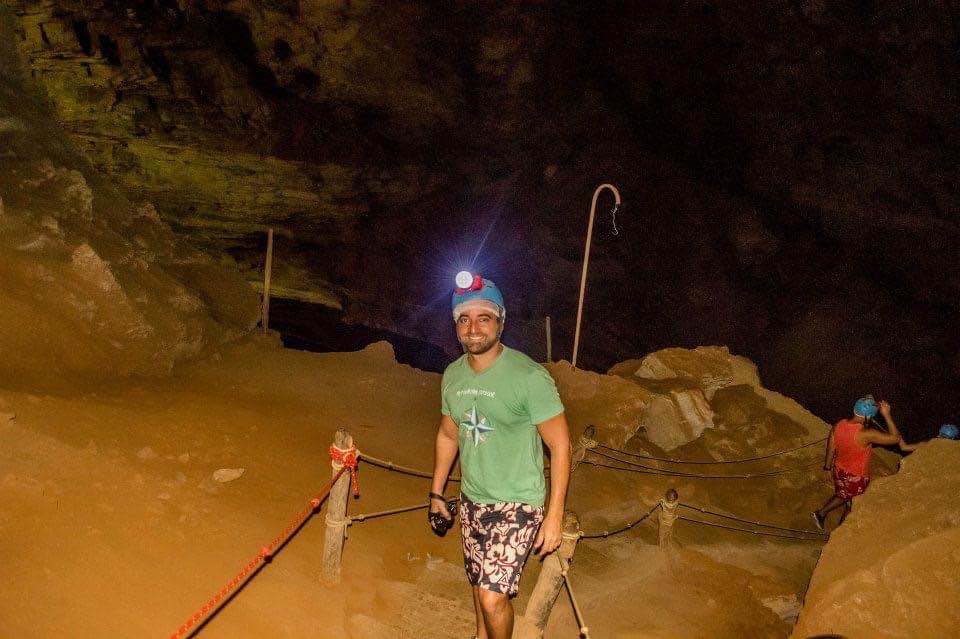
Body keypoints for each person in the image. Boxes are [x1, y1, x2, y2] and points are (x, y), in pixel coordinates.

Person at [429, 272, 571, 639]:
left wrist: (553, 517)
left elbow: (560, 446)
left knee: (492, 597)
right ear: (456, 326)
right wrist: (436, 494)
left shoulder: (528, 377)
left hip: (518, 503)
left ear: (500, 322)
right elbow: (449, 434)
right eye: (464, 318)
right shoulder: (453, 376)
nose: (473, 327)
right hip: (473, 497)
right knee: (477, 581)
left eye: (483, 318)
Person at [812, 396, 909, 529]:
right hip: (855, 476)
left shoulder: (839, 424)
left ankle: (822, 514)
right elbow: (896, 438)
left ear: (854, 409)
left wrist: (827, 467)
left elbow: (831, 446)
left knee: (843, 494)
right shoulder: (866, 434)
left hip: (839, 469)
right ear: (869, 417)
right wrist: (886, 415)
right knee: (852, 503)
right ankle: (833, 526)